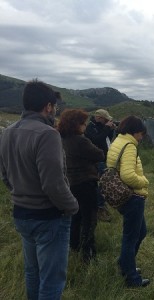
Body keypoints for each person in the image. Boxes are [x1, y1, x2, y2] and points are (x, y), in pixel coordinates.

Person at [0, 79, 79, 299]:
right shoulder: (47, 134)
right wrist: (72, 206)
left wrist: (21, 193)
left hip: (21, 213)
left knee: (32, 272)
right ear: (47, 106)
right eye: (54, 106)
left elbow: (5, 176)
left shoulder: (7, 132)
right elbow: (53, 184)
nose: (55, 111)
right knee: (52, 279)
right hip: (48, 217)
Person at [106, 115, 150, 287]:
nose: (141, 138)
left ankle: (125, 263)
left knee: (140, 232)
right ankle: (131, 278)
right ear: (136, 132)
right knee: (131, 238)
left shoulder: (118, 140)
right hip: (132, 196)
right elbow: (127, 175)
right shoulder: (130, 145)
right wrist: (144, 181)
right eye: (141, 134)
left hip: (122, 195)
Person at [58, 109, 105, 263]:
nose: (85, 126)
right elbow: (99, 154)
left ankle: (75, 246)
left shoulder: (62, 139)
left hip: (70, 183)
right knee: (90, 219)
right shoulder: (81, 141)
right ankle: (88, 253)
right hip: (86, 183)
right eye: (83, 123)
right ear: (75, 125)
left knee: (75, 217)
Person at [84, 108, 117, 222]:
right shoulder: (90, 127)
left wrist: (111, 130)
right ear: (99, 118)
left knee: (103, 183)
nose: (106, 121)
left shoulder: (100, 126)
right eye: (105, 119)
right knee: (100, 184)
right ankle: (99, 207)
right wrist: (107, 128)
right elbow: (97, 140)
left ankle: (101, 205)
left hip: (103, 158)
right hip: (96, 160)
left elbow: (106, 139)